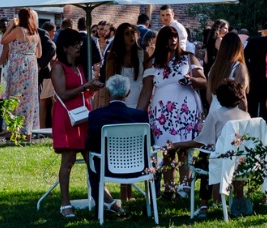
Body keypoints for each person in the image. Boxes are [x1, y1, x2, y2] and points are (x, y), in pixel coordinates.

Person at [137, 26, 205, 194]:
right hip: (162, 114)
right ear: (162, 41)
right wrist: (137, 113)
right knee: (166, 150)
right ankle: (168, 187)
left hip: (185, 111)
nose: (173, 41)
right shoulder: (152, 62)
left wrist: (192, 80)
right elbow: (146, 91)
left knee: (184, 148)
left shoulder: (188, 58)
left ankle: (185, 186)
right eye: (169, 38)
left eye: (175, 37)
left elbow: (205, 82)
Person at [49, 28, 102, 217]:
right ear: (65, 47)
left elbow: (83, 92)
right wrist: (84, 87)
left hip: (83, 115)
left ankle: (105, 198)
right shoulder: (58, 67)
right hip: (67, 117)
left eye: (79, 43)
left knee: (92, 159)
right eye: (75, 44)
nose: (79, 46)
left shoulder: (79, 67)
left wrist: (91, 89)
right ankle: (65, 203)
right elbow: (62, 93)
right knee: (68, 160)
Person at [184, 79, 253, 215]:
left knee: (204, 159)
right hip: (243, 162)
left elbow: (200, 142)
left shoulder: (215, 115)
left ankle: (204, 205)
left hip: (221, 163)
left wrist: (177, 145)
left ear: (219, 98)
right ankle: (239, 197)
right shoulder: (247, 116)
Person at [84, 73, 149, 214]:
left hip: (106, 168)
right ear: (128, 92)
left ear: (108, 91)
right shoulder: (140, 116)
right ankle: (150, 204)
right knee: (155, 163)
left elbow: (90, 145)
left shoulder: (96, 115)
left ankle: (100, 205)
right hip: (138, 167)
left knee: (92, 162)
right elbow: (150, 143)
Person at [0, 7, 41, 136]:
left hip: (19, 65)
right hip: (32, 65)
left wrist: (10, 26)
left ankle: (15, 128)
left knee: (16, 96)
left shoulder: (19, 30)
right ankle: (29, 128)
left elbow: (3, 40)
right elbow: (39, 54)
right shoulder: (35, 32)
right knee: (29, 98)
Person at [99, 22, 144, 106]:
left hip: (140, 103)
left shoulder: (143, 54)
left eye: (132, 32)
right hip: (120, 104)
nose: (131, 36)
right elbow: (109, 85)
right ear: (120, 37)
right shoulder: (113, 57)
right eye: (127, 34)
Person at [205, 31, 250, 112]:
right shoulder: (238, 67)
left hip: (214, 111)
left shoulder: (214, 67)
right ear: (239, 48)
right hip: (232, 113)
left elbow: (208, 97)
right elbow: (241, 97)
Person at [37, 18, 58, 129]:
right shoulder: (46, 39)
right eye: (54, 31)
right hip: (47, 74)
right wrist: (42, 65)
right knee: (47, 101)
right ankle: (46, 127)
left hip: (46, 74)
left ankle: (43, 127)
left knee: (45, 101)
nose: (55, 33)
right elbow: (52, 54)